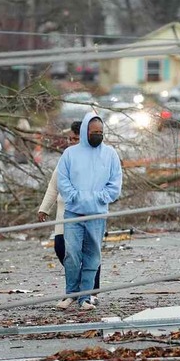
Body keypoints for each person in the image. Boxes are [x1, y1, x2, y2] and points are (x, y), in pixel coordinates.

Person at [55, 113, 122, 311]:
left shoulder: (110, 154)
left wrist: (99, 198)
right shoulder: (70, 154)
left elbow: (115, 184)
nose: (97, 135)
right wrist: (75, 197)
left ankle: (86, 297)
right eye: (94, 132)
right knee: (72, 254)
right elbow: (62, 181)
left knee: (93, 256)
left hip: (97, 214)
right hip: (73, 213)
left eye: (100, 132)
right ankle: (71, 294)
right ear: (85, 132)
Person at [37, 121, 101, 303]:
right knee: (61, 248)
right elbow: (53, 184)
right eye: (70, 138)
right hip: (64, 213)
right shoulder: (66, 158)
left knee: (90, 252)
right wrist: (44, 208)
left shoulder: (95, 157)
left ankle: (91, 293)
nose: (72, 142)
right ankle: (78, 289)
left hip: (88, 213)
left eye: (75, 138)